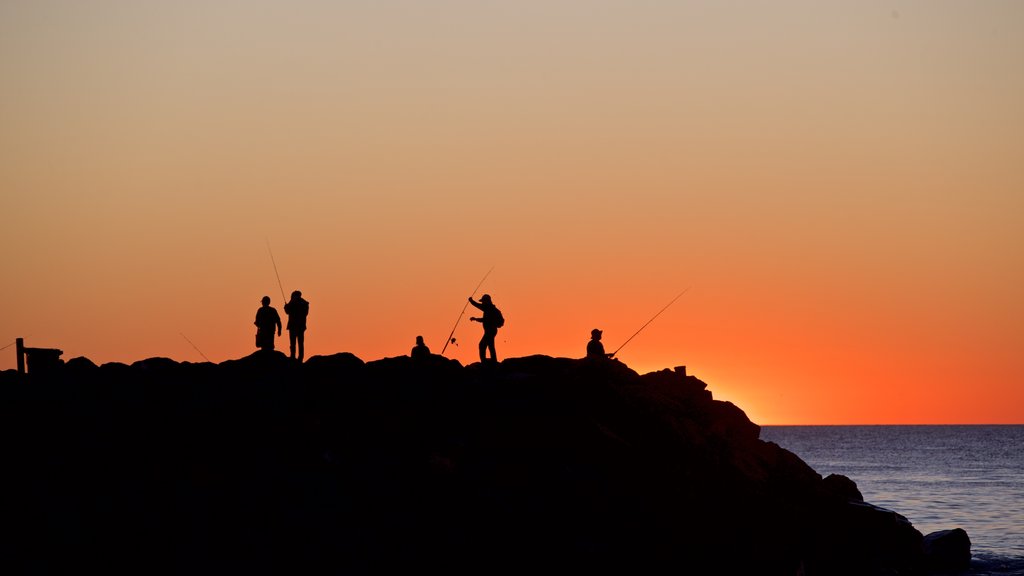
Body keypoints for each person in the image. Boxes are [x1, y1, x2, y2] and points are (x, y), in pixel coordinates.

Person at [469, 294, 503, 363]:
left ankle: (484, 362)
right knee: (490, 346)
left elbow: (485, 319)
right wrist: (471, 301)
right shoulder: (489, 308)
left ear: (487, 301)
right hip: (491, 331)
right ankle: (493, 361)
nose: (482, 303)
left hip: (490, 331)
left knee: (482, 345)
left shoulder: (489, 309)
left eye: (483, 301)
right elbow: (479, 306)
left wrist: (471, 301)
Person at [284, 290, 310, 362]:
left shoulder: (292, 302)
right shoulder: (305, 303)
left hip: (293, 325)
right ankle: (300, 358)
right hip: (301, 326)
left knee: (292, 342)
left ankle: (293, 356)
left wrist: (286, 307)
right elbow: (306, 314)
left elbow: (287, 311)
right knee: (300, 342)